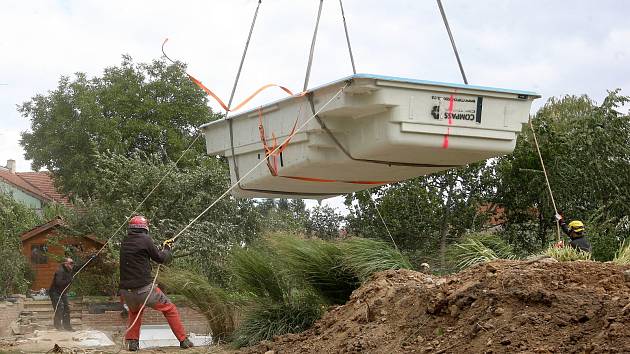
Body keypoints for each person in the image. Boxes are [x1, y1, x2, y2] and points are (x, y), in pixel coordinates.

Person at [119, 215, 193, 351]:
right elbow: (161, 258)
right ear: (145, 228)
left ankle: (132, 343)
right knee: (170, 309)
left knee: (135, 313)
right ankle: (184, 340)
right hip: (144, 290)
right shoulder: (145, 239)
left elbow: (141, 254)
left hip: (125, 292)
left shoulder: (125, 240)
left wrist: (161, 248)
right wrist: (167, 248)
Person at [49, 255, 95, 331]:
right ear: (65, 263)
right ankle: (58, 326)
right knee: (60, 307)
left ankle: (67, 327)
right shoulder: (60, 271)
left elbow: (81, 266)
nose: (72, 264)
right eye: (71, 263)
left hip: (62, 292)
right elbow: (58, 283)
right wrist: (69, 280)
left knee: (67, 308)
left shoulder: (71, 269)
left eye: (73, 263)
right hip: (54, 292)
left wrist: (91, 259)